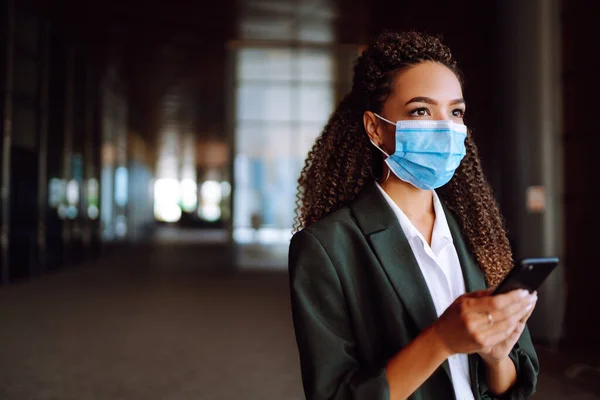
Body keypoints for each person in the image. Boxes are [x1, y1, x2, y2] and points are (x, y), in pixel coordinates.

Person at [288, 30, 539, 400]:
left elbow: (515, 385)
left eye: (455, 112)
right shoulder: (326, 248)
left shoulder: (478, 233)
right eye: (421, 110)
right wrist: (440, 340)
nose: (444, 128)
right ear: (376, 128)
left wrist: (496, 357)